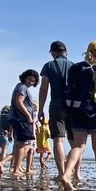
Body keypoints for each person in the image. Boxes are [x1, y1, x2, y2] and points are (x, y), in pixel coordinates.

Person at [60, 40, 96, 190]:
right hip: (95, 113)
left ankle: (66, 174)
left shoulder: (75, 69)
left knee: (79, 146)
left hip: (76, 111)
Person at [37, 40, 72, 182]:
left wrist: (40, 109)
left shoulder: (49, 66)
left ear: (53, 53)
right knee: (76, 142)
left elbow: (44, 88)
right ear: (66, 52)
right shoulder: (74, 66)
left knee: (58, 140)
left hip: (57, 105)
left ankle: (62, 173)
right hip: (74, 106)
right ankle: (75, 173)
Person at [9, 70, 39, 178]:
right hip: (21, 119)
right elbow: (19, 102)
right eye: (29, 79)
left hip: (19, 118)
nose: (31, 82)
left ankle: (16, 167)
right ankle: (16, 169)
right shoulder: (22, 87)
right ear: (24, 78)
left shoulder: (22, 87)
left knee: (22, 144)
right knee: (22, 144)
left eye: (33, 81)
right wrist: (28, 116)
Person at [0, 104, 13, 176]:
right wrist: (10, 134)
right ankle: (2, 163)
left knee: (2, 150)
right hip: (4, 135)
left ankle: (1, 162)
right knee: (4, 150)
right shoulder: (8, 117)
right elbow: (10, 126)